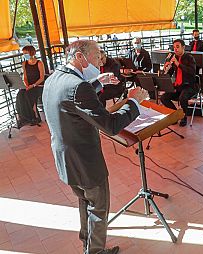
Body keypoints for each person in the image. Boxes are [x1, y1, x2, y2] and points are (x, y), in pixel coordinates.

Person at [43, 40, 148, 254]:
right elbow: (110, 125)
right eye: (97, 55)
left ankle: (88, 245)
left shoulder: (54, 78)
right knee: (98, 209)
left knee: (85, 203)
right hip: (85, 162)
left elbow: (72, 99)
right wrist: (133, 102)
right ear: (80, 57)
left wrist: (97, 82)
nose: (100, 60)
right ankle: (96, 251)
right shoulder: (78, 86)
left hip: (66, 160)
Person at [160, 39, 197, 127]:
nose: (175, 49)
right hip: (178, 86)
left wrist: (178, 64)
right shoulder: (174, 58)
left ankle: (184, 117)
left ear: (183, 47)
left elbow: (192, 71)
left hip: (189, 85)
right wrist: (166, 69)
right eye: (174, 47)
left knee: (182, 97)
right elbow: (169, 74)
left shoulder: (189, 58)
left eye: (177, 47)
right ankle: (175, 115)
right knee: (164, 97)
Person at [16, 45, 45, 127]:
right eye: (24, 53)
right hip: (29, 85)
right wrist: (26, 85)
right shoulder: (24, 63)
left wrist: (32, 85)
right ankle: (23, 117)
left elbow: (42, 78)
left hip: (38, 85)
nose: (25, 55)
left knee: (29, 95)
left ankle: (34, 116)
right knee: (20, 95)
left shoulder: (39, 63)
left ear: (31, 53)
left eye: (26, 53)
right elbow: (25, 77)